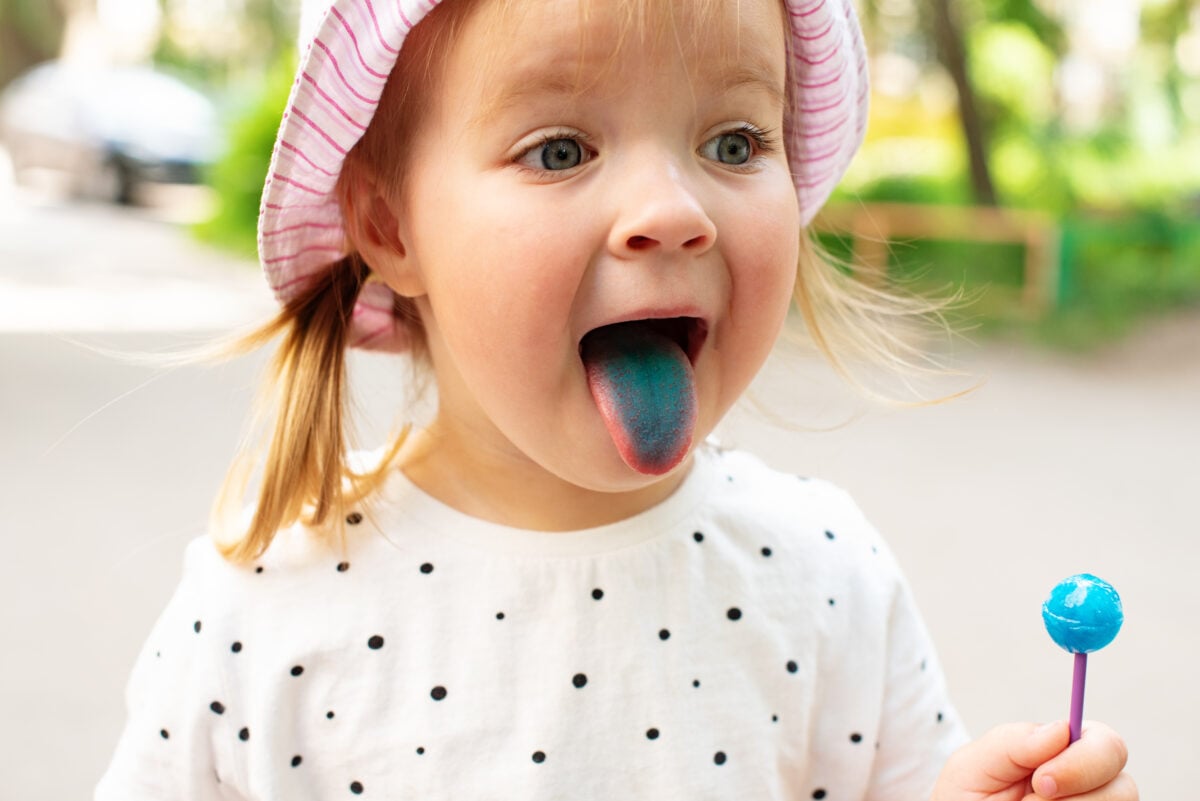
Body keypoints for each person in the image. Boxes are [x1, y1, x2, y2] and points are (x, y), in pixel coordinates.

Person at [96, 0, 1137, 799]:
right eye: (560, 150)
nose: (672, 213)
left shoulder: (825, 577)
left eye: (734, 142)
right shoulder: (260, 619)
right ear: (390, 226)